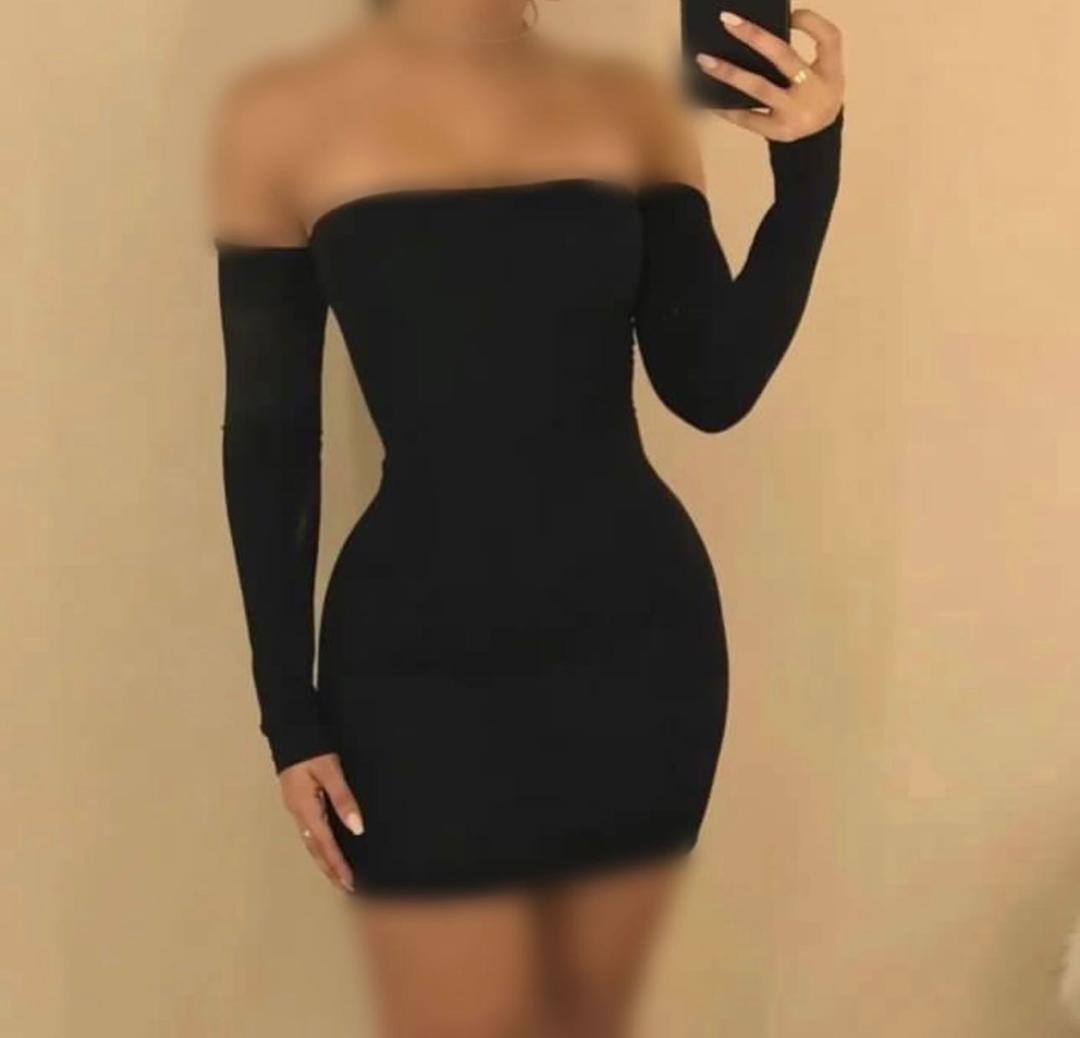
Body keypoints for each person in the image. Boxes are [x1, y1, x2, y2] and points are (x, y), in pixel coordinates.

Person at [207, 1, 844, 1034]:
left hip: (634, 656)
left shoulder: (627, 110)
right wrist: (290, 716)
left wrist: (809, 165)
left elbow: (711, 385)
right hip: (412, 672)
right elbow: (272, 443)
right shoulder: (284, 126)